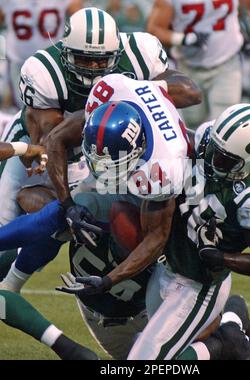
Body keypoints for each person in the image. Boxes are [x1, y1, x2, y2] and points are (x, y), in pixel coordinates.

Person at [0, 7, 201, 272]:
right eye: (85, 60)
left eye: (102, 60)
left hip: (108, 146)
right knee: (14, 225)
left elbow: (190, 92)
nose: (95, 68)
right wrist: (104, 109)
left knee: (95, 216)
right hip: (42, 150)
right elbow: (51, 142)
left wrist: (133, 96)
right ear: (66, 53)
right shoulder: (44, 71)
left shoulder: (140, 51)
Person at [124, 103, 250, 359]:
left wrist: (219, 257)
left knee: (146, 360)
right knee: (156, 349)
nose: (212, 158)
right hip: (168, 265)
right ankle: (230, 328)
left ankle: (227, 336)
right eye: (214, 148)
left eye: (224, 158)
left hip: (199, 285)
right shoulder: (208, 139)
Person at [147, 0, 250, 128]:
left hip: (227, 61)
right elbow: (154, 29)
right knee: (192, 123)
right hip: (188, 65)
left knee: (224, 121)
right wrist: (182, 38)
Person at [0, 0, 83, 109]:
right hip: (24, 60)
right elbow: (79, 17)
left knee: (51, 106)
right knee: (26, 108)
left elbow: (79, 17)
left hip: (53, 61)